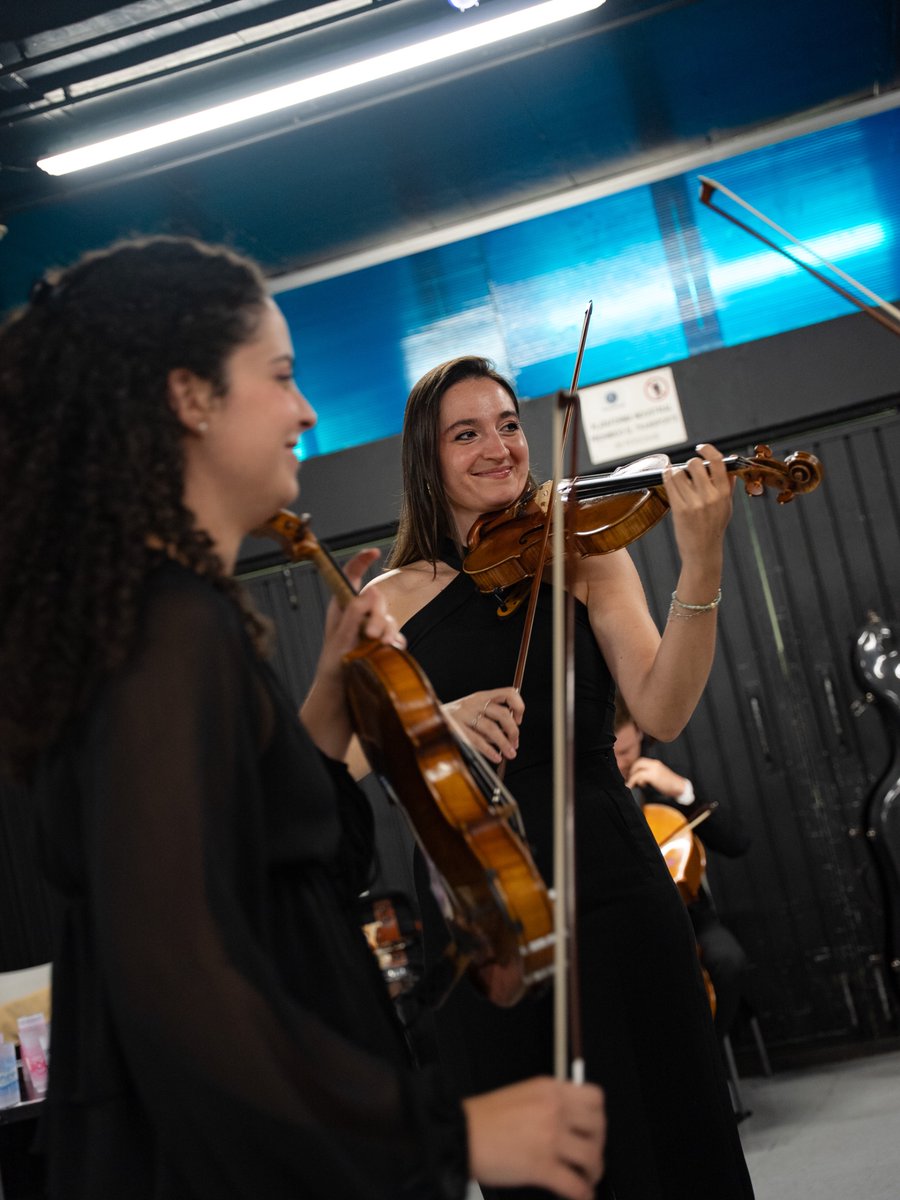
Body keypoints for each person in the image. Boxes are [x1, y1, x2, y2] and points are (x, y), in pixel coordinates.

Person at [0, 241, 605, 1200]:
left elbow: (268, 866)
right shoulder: (164, 629)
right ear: (191, 397)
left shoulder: (173, 613)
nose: (308, 411)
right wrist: (451, 1133)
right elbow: (179, 975)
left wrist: (327, 697)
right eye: (280, 377)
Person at [362, 355, 755, 1199]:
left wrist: (702, 564)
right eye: (466, 433)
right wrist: (433, 722)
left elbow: (664, 708)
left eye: (509, 425)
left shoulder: (584, 555)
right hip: (487, 910)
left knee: (674, 1138)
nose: (499, 447)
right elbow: (346, 754)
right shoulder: (386, 601)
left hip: (612, 881)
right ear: (425, 460)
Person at [613, 703, 751, 1041]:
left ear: (639, 732)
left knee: (727, 960)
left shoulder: (667, 779)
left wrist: (683, 792)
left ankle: (709, 1052)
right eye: (610, 755)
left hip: (691, 918)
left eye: (625, 752)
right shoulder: (593, 801)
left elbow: (736, 842)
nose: (619, 765)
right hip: (626, 926)